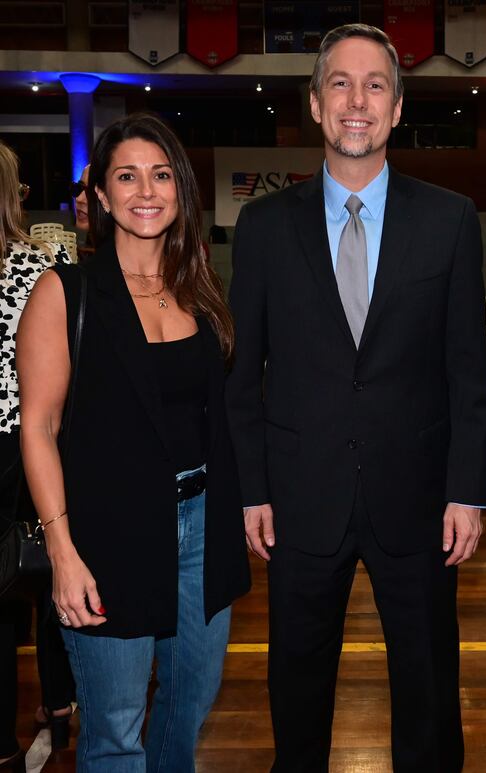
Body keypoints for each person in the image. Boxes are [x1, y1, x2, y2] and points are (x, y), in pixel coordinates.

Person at [226, 23, 486, 773]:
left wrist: (468, 490)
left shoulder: (448, 221)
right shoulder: (263, 226)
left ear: (398, 106)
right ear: (315, 104)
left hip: (416, 497)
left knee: (429, 691)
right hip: (299, 494)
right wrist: (251, 489)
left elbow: (468, 373)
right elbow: (242, 376)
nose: (357, 101)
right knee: (297, 689)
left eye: (375, 84)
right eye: (339, 84)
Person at [16, 113, 251, 771]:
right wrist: (62, 552)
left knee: (187, 704)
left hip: (201, 526)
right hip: (107, 532)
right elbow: (38, 426)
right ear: (96, 193)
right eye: (127, 175)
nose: (146, 190)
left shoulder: (196, 288)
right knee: (116, 729)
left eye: (160, 173)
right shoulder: (65, 292)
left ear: (180, 189)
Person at [0, 139, 75, 772]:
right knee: (43, 581)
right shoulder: (39, 266)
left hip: (20, 442)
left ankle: (46, 717)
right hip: (27, 441)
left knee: (36, 581)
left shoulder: (38, 269)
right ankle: (54, 711)